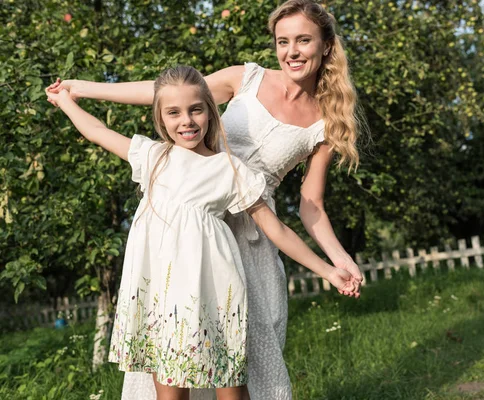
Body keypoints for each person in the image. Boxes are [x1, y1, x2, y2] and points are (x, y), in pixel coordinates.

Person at [46, 1, 367, 398]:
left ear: (325, 45)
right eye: (283, 41)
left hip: (248, 235)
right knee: (176, 341)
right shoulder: (243, 79)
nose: (292, 51)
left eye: (304, 40)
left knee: (239, 358)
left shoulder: (326, 120)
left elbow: (310, 204)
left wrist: (336, 261)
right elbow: (168, 93)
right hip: (181, 239)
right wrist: (81, 89)